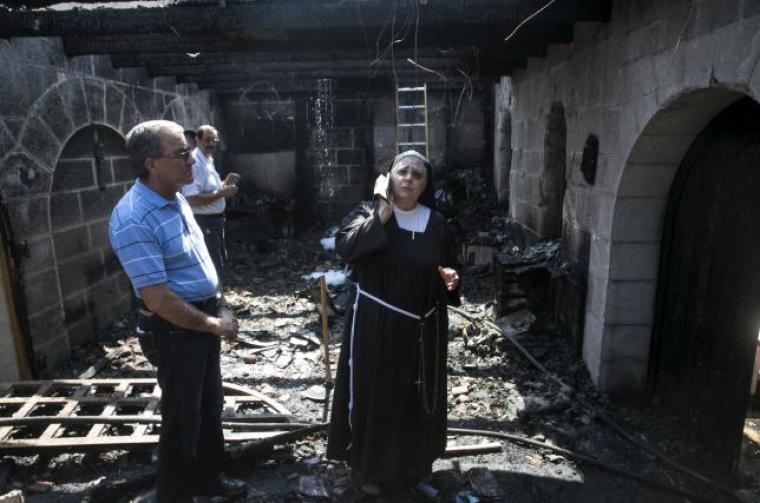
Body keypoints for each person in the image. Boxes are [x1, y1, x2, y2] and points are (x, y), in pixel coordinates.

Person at [109, 120, 247, 502]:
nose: (192, 160)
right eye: (182, 153)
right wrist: (214, 325)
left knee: (208, 407)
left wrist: (221, 302)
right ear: (152, 164)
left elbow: (200, 261)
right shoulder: (134, 217)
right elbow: (159, 301)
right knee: (182, 417)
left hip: (199, 319)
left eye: (190, 151)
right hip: (174, 329)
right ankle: (176, 494)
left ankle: (209, 480)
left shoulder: (177, 198)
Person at [326, 150, 461, 497]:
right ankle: (369, 467)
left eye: (418, 175)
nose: (409, 179)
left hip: (423, 330)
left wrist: (450, 280)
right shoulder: (367, 214)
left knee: (416, 398)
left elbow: (448, 268)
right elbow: (348, 249)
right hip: (377, 326)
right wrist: (382, 213)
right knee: (378, 396)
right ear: (389, 177)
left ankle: (413, 465)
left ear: (425, 185)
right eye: (402, 172)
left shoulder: (438, 223)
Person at [181, 125, 239, 284]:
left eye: (214, 140)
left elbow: (210, 188)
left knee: (218, 259)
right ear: (197, 140)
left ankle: (218, 297)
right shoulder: (196, 163)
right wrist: (221, 193)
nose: (212, 144)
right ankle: (216, 302)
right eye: (207, 140)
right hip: (204, 221)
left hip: (215, 221)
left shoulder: (207, 158)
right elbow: (191, 198)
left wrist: (225, 182)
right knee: (212, 263)